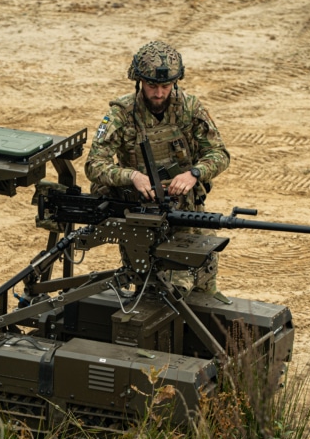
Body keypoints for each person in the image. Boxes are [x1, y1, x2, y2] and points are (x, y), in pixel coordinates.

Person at [84, 40, 230, 294]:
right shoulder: (121, 114)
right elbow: (94, 165)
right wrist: (131, 176)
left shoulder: (189, 108)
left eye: (166, 86)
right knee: (152, 293)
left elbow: (219, 154)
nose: (159, 93)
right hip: (143, 219)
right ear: (139, 81)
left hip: (187, 213)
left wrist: (194, 174)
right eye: (152, 86)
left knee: (202, 280)